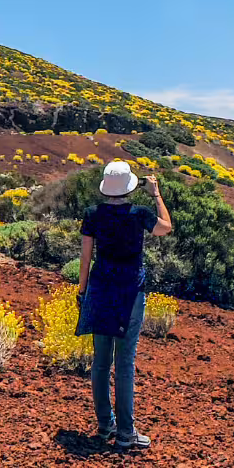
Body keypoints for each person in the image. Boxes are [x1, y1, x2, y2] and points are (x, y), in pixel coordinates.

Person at [75, 160, 172, 449]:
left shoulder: (92, 214)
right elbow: (166, 228)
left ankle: (106, 426)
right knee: (125, 363)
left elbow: (85, 257)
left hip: (101, 290)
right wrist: (156, 194)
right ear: (130, 186)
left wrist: (82, 291)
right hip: (130, 292)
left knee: (101, 362)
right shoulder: (139, 214)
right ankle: (127, 434)